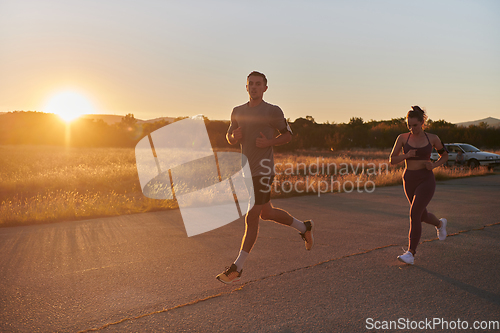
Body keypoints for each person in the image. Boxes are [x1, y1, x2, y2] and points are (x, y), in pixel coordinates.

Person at [216, 71, 314, 283]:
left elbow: (288, 135)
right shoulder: (237, 111)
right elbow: (229, 135)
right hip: (246, 172)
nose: (254, 87)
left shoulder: (272, 111)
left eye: (258, 84)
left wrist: (269, 143)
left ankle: (237, 267)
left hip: (263, 170)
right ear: (246, 87)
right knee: (266, 213)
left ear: (265, 88)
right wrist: (234, 137)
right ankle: (303, 227)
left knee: (251, 217)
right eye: (250, 84)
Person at [389, 106, 449, 264]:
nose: (411, 128)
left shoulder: (432, 138)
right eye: (409, 125)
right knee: (421, 215)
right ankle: (440, 223)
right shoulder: (403, 138)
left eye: (414, 125)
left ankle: (410, 253)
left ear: (422, 122)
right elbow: (392, 160)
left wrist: (435, 165)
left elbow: (445, 155)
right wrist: (406, 155)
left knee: (414, 213)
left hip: (426, 179)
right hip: (409, 179)